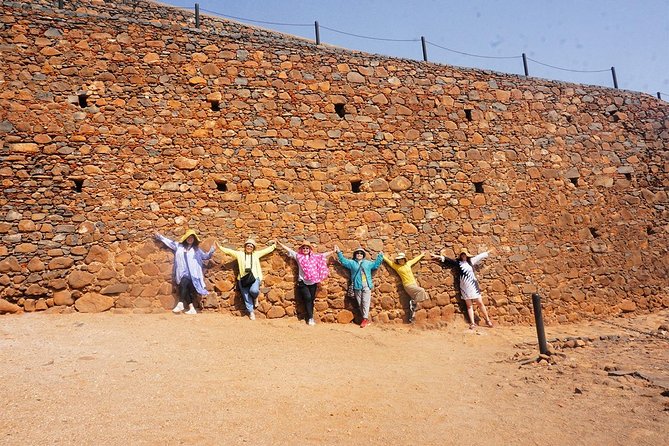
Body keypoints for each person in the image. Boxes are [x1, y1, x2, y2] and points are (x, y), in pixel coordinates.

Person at [155, 229, 215, 315]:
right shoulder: (179, 246)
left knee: (184, 282)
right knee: (185, 289)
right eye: (189, 237)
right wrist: (159, 236)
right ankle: (192, 309)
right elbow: (169, 242)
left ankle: (180, 303)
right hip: (181, 272)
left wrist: (211, 251)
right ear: (185, 238)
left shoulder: (196, 250)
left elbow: (205, 256)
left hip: (193, 275)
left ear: (194, 239)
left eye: (192, 238)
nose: (190, 239)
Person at [432, 248, 494, 329]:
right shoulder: (458, 263)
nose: (463, 256)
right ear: (460, 255)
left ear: (467, 255)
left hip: (473, 285)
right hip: (464, 287)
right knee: (469, 306)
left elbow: (480, 256)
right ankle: (472, 323)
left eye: (464, 254)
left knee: (480, 303)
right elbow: (448, 260)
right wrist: (437, 256)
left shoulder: (471, 261)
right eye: (462, 254)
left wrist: (488, 252)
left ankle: (488, 320)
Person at [217, 238, 276, 320]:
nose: (249, 247)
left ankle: (255, 298)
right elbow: (229, 251)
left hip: (254, 277)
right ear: (245, 246)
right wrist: (219, 247)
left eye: (251, 246)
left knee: (254, 291)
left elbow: (266, 250)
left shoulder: (256, 254)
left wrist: (274, 245)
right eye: (248, 246)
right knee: (246, 296)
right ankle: (251, 312)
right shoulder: (240, 254)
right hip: (243, 279)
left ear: (253, 248)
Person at [279, 240, 332, 326]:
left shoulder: (314, 257)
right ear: (301, 249)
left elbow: (323, 255)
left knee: (311, 300)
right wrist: (279, 243)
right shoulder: (298, 256)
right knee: (307, 298)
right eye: (304, 248)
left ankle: (310, 317)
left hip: (313, 281)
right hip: (302, 281)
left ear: (310, 249)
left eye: (307, 248)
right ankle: (310, 317)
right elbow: (289, 250)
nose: (305, 249)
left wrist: (333, 251)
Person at [335, 245, 383, 328]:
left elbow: (375, 265)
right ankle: (366, 319)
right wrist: (338, 252)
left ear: (363, 255)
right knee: (360, 303)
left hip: (366, 285)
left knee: (365, 302)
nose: (359, 254)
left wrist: (380, 256)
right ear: (355, 254)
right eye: (357, 253)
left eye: (361, 253)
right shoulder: (352, 263)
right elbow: (343, 261)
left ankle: (364, 319)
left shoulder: (367, 263)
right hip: (357, 286)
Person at [383, 252, 429, 323]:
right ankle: (413, 302)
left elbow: (415, 259)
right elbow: (389, 262)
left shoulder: (408, 264)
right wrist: (382, 256)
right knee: (421, 291)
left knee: (415, 305)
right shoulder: (396, 266)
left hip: (414, 284)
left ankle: (412, 318)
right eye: (399, 260)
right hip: (408, 285)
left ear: (404, 259)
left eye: (402, 259)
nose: (400, 261)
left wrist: (422, 255)